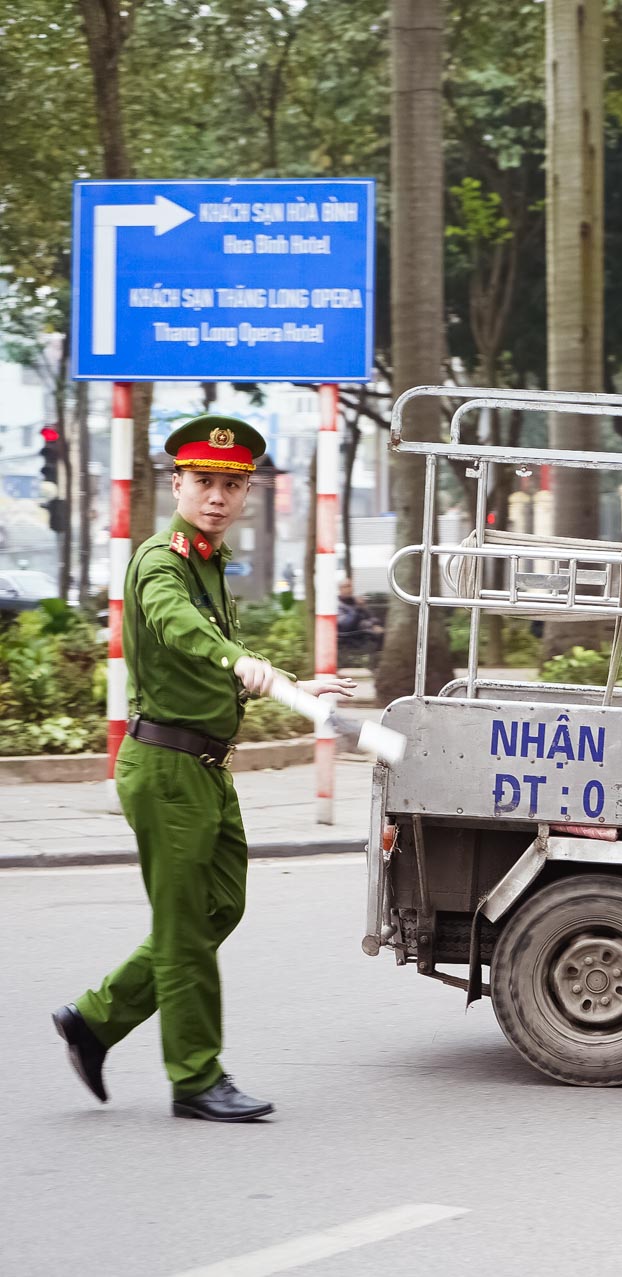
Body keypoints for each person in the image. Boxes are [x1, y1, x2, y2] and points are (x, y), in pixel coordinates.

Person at [53, 416, 356, 1122]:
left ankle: (94, 1019)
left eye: (230, 484)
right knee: (188, 925)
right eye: (204, 483)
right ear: (177, 485)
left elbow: (226, 644)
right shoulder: (162, 561)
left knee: (219, 905)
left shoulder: (208, 561)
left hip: (207, 770)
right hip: (166, 768)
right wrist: (232, 659)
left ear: (246, 493)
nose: (216, 496)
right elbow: (176, 624)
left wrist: (292, 684)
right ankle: (194, 1076)